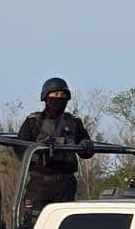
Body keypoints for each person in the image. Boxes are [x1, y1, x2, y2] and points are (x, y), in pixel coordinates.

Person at [16, 77, 96, 215]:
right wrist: (39, 151)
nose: (59, 98)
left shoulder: (73, 122)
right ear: (46, 97)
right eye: (55, 94)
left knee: (64, 226)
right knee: (33, 225)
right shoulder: (33, 121)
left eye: (63, 95)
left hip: (66, 184)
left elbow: (87, 151)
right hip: (40, 184)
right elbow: (19, 148)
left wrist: (85, 144)